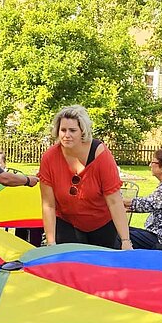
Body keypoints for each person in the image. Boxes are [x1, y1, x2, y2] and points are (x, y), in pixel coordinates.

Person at [39, 105, 131, 250]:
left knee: (100, 267)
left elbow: (114, 201)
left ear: (83, 131)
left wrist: (126, 240)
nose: (66, 135)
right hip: (67, 222)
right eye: (63, 130)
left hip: (101, 223)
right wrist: (51, 243)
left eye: (72, 130)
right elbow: (48, 205)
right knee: (69, 264)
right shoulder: (49, 158)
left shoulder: (100, 155)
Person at [123, 146, 162, 250]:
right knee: (122, 230)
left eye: (153, 162)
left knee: (122, 236)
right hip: (158, 232)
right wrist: (125, 207)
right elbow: (152, 203)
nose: (150, 165)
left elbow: (150, 203)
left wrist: (120, 202)